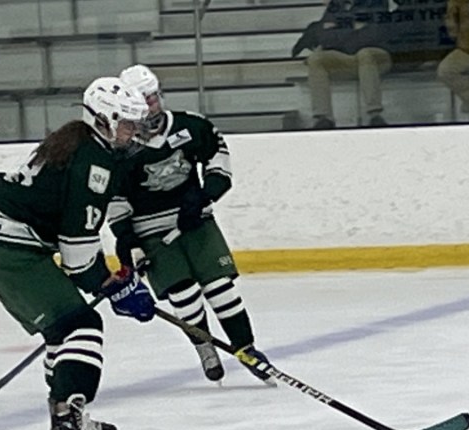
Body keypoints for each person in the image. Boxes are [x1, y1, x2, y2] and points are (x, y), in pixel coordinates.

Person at [0, 77, 155, 430]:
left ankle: (66, 420)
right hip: (12, 254)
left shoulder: (78, 143)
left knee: (63, 330)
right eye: (127, 123)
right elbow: (77, 252)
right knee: (81, 325)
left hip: (6, 247)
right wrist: (114, 288)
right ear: (104, 120)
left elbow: (75, 236)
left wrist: (111, 282)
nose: (134, 132)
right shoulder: (94, 162)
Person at [112, 63, 272, 384]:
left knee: (220, 287)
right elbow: (114, 198)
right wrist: (127, 238)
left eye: (153, 97)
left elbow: (218, 159)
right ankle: (203, 345)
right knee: (183, 294)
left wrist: (203, 195)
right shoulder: (120, 148)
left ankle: (246, 347)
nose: (150, 105)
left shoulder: (191, 125)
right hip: (150, 232)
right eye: (142, 100)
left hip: (196, 221)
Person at [291, 0, 392, 129]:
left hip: (377, 57)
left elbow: (373, 36)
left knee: (365, 54)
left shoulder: (376, 2)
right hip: (348, 57)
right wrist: (353, 29)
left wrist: (339, 30)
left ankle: (375, 115)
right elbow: (325, 37)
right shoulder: (336, 5)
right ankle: (324, 118)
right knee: (316, 59)